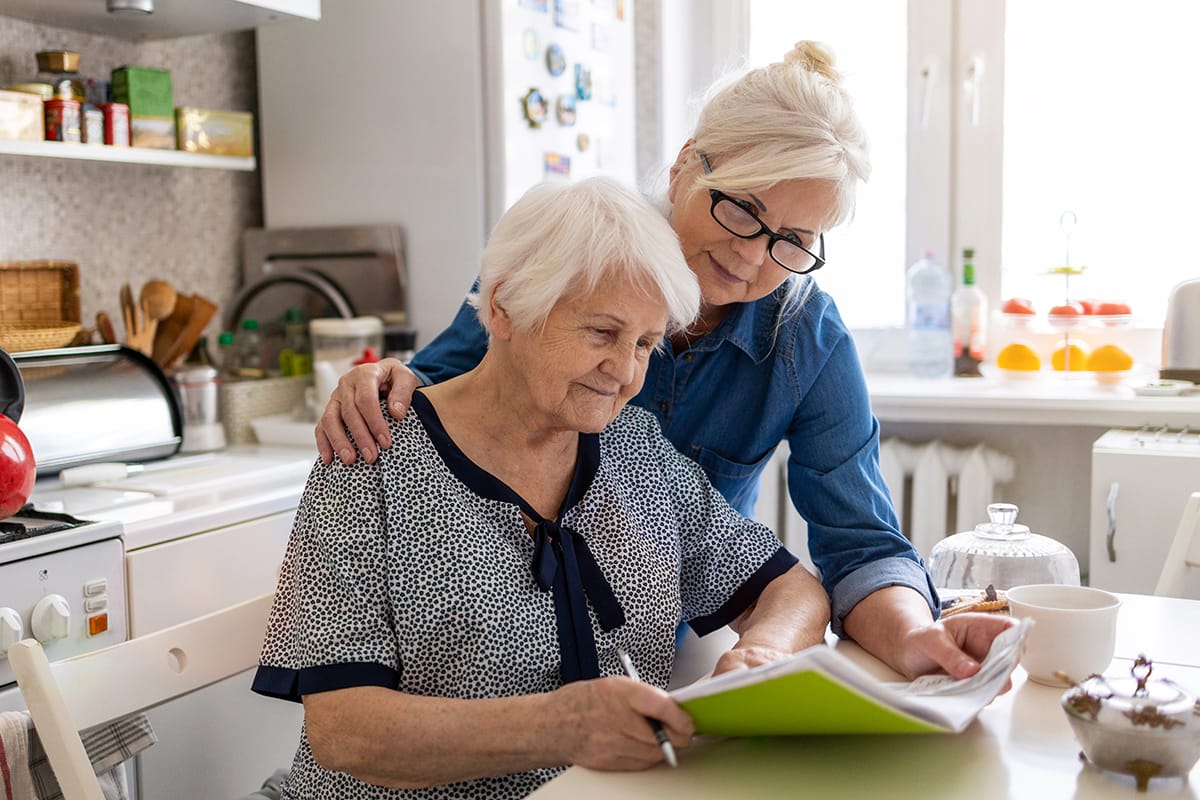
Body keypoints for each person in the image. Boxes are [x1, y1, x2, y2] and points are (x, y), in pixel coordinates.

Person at [314, 42, 1016, 683]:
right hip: (493, 655)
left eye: (793, 240)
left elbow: (860, 544)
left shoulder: (807, 337)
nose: (749, 255)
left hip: (659, 653)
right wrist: (382, 381)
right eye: (742, 208)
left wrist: (917, 636)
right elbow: (439, 394)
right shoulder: (571, 256)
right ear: (686, 164)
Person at [253, 177, 832, 799]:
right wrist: (560, 727)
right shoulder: (372, 454)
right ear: (503, 307)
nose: (625, 371)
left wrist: (764, 654)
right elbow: (345, 731)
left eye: (645, 343)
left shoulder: (635, 449)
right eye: (602, 333)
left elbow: (789, 587)